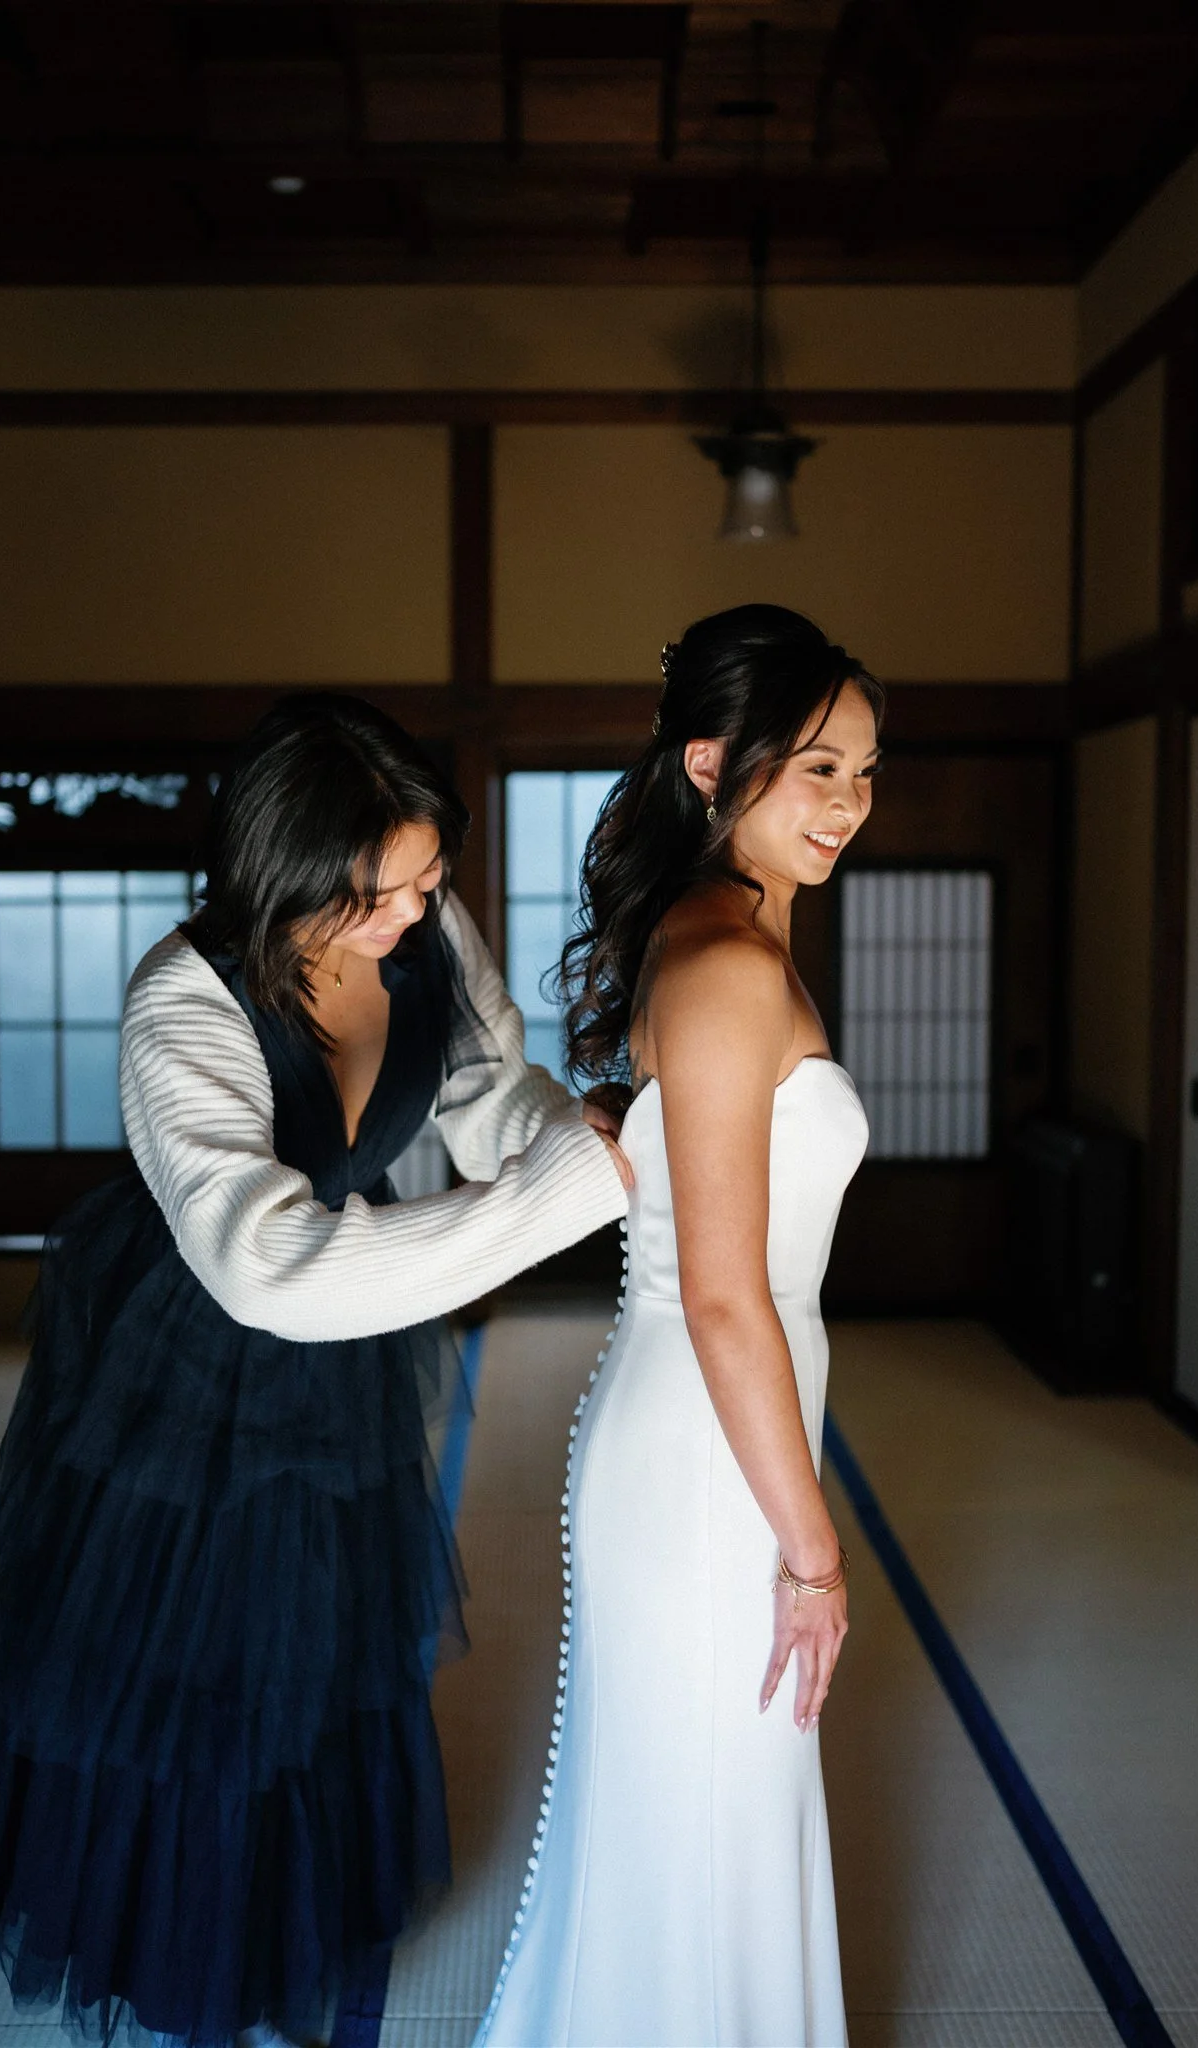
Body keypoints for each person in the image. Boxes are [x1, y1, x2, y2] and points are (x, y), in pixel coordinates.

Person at [0, 693, 631, 2048]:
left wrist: (569, 1133)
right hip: (197, 1341)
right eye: (380, 894)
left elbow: (481, 1091)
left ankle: (297, 1910)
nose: (415, 914)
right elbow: (265, 1263)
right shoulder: (181, 1004)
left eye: (431, 880)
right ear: (288, 878)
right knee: (188, 1659)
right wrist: (576, 1190)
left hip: (349, 1326)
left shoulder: (423, 924)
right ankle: (183, 1950)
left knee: (327, 1639)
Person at [475, 605, 885, 2048]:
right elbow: (722, 1293)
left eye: (864, 772)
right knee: (711, 1812)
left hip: (723, 1435)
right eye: (817, 767)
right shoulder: (724, 965)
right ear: (713, 767)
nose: (849, 802)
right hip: (709, 1451)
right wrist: (818, 1553)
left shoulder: (734, 942)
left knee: (713, 1815)